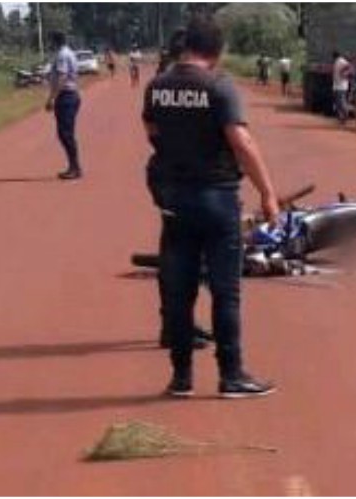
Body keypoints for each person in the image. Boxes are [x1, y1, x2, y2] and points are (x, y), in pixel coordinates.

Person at [142, 17, 279, 398]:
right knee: (225, 290)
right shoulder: (219, 86)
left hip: (175, 201)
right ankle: (231, 375)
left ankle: (181, 377)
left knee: (180, 291)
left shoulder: (158, 86)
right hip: (217, 198)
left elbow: (151, 130)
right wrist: (267, 193)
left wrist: (176, 154)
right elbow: (241, 141)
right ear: (216, 52)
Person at [148, 28, 212, 351]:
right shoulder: (191, 82)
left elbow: (151, 129)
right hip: (187, 177)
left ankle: (176, 323)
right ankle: (176, 326)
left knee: (174, 248)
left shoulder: (160, 83)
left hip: (165, 173)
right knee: (185, 254)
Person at [45, 31, 82, 180]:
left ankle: (75, 168)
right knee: (65, 134)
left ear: (55, 41)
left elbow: (62, 76)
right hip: (69, 96)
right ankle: (73, 166)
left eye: (51, 41)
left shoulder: (62, 55)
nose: (50, 44)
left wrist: (52, 98)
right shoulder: (68, 53)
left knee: (66, 134)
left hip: (66, 96)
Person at [331, 50, 351, 126]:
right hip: (337, 85)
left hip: (341, 86)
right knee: (338, 103)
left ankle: (345, 115)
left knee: (341, 102)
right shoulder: (337, 61)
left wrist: (344, 74)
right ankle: (342, 118)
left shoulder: (341, 61)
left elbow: (348, 66)